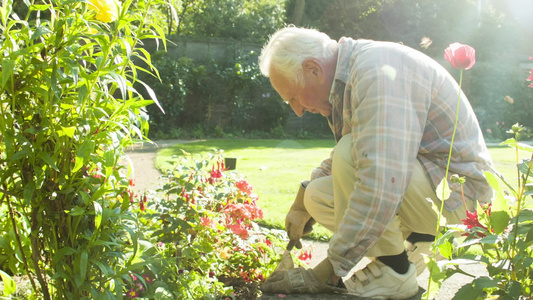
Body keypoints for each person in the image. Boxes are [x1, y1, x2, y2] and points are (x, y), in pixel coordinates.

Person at [258, 26, 494, 298]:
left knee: (352, 152)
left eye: (293, 97)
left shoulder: (377, 70)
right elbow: (362, 151)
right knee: (318, 195)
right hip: (429, 195)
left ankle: (396, 269)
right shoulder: (357, 71)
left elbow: (379, 178)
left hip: (462, 207)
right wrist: (301, 201)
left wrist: (329, 270)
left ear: (313, 69)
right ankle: (407, 253)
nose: (297, 111)